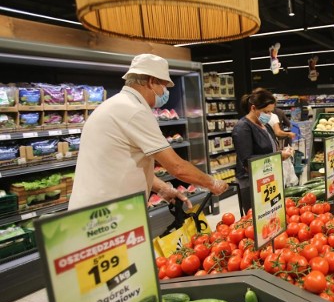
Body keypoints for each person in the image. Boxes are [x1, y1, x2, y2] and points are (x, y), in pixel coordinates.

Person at [69, 54, 228, 210]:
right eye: (164, 86)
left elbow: (123, 162)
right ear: (152, 82)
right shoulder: (134, 111)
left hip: (92, 210)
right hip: (108, 214)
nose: (165, 92)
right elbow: (177, 167)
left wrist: (162, 188)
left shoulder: (113, 104)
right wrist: (211, 183)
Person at [232, 88, 293, 214]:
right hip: (251, 182)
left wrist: (281, 151)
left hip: (267, 178)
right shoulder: (242, 128)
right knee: (256, 218)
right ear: (253, 108)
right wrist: (277, 156)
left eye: (271, 112)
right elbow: (247, 161)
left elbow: (267, 149)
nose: (269, 116)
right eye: (266, 112)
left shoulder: (265, 125)